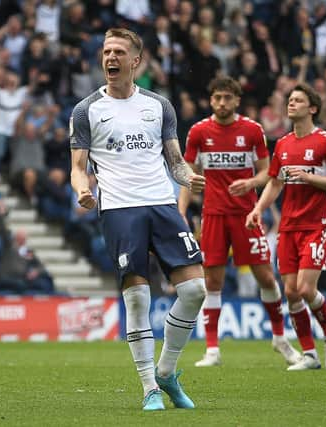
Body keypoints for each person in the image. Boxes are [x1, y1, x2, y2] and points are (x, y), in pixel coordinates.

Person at [69, 28, 206, 411]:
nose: (110, 58)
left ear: (135, 61)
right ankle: (149, 388)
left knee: (195, 291)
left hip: (163, 205)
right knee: (138, 299)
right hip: (119, 209)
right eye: (106, 51)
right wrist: (82, 189)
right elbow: (77, 167)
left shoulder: (159, 105)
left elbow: (175, 162)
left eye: (118, 52)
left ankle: (166, 371)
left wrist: (190, 178)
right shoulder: (86, 110)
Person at [178, 76, 301, 368]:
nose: (222, 103)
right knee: (213, 281)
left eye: (227, 98)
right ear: (211, 101)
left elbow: (267, 174)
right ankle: (212, 349)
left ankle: (280, 338)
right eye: (217, 98)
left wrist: (250, 184)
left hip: (248, 215)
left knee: (266, 277)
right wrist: (180, 210)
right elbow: (188, 175)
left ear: (236, 101)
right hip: (214, 217)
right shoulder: (198, 132)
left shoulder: (252, 131)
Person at [246, 83, 326, 370]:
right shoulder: (282, 143)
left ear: (312, 108)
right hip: (289, 226)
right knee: (290, 291)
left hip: (317, 223)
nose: (291, 104)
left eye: (298, 100)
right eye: (290, 100)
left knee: (305, 288)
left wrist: (309, 177)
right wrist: (258, 208)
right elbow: (276, 182)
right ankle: (310, 354)